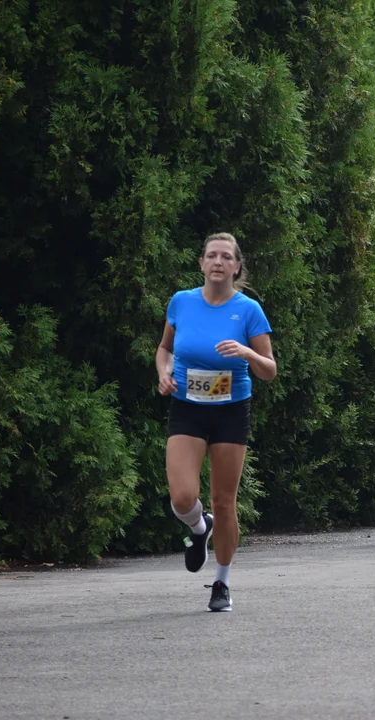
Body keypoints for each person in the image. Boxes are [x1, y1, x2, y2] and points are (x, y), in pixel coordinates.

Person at [156, 232, 277, 612]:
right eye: (212, 256)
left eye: (227, 257)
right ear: (202, 263)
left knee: (224, 502)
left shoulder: (249, 310)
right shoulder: (182, 302)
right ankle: (197, 528)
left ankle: (222, 582)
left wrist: (245, 351)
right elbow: (164, 349)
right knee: (182, 496)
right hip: (187, 407)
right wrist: (163, 372)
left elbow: (270, 370)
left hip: (230, 410)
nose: (219, 262)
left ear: (237, 267)